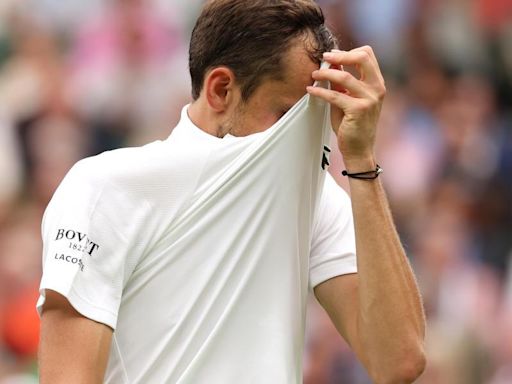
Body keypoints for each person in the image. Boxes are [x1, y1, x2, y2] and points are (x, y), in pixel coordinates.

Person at [37, 0, 426, 383]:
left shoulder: (317, 197)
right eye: (286, 116)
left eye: (315, 119)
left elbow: (398, 361)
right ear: (220, 89)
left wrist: (360, 159)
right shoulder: (102, 189)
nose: (308, 138)